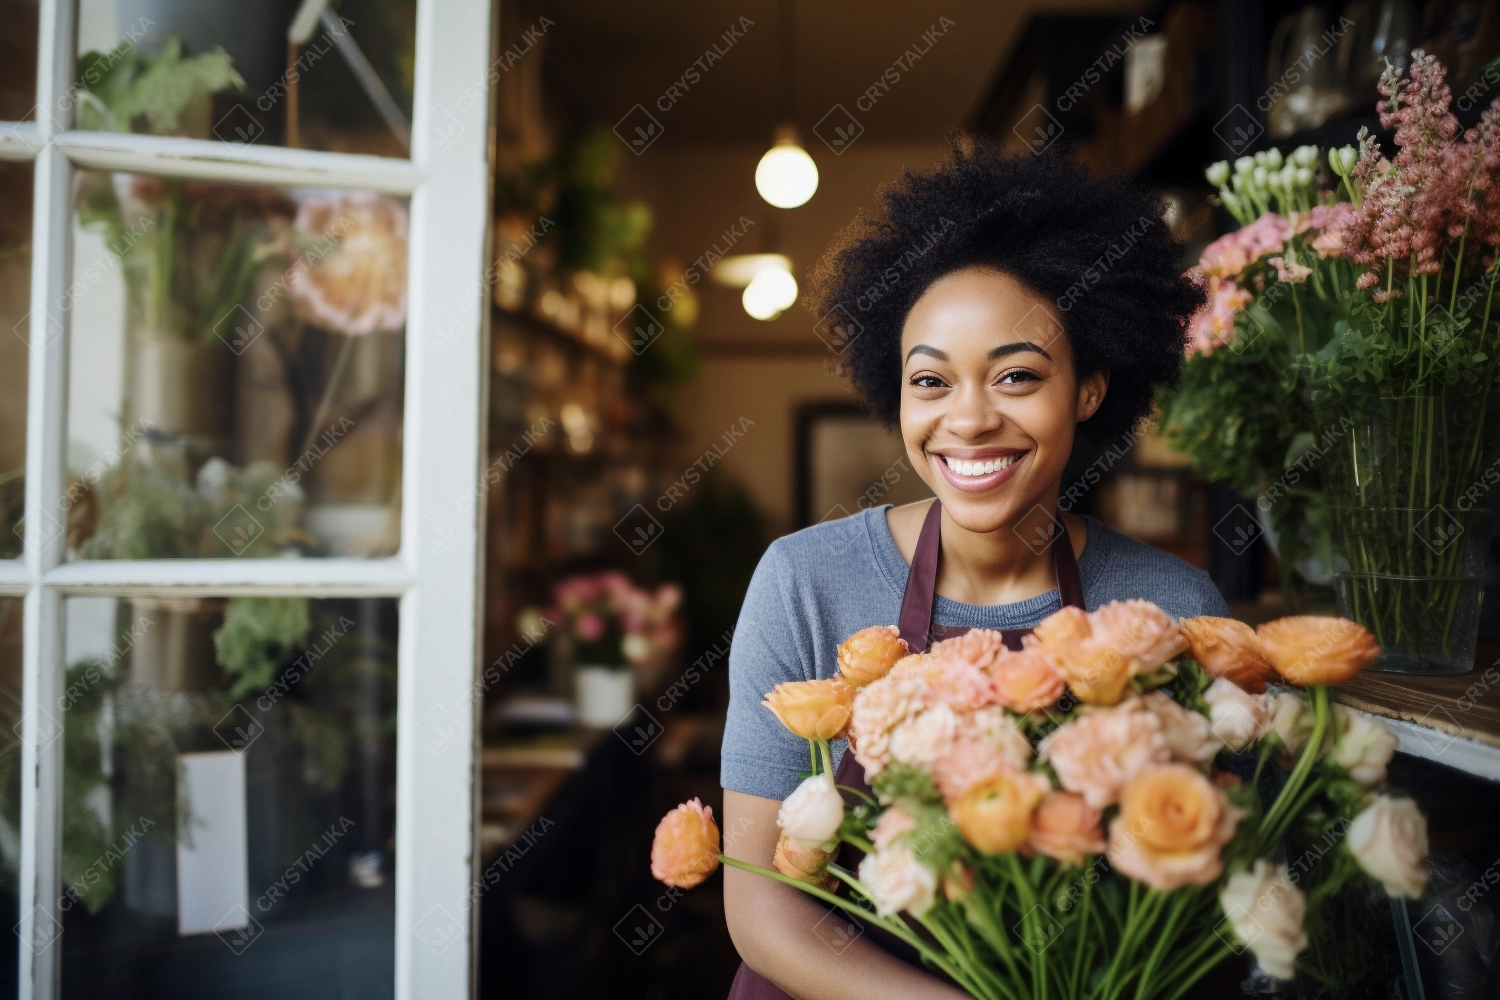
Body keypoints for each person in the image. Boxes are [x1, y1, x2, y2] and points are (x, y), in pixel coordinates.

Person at [718, 132, 1229, 999]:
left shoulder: (1167, 607)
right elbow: (763, 911)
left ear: (1091, 388)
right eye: (932, 382)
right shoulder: (804, 583)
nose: (969, 420)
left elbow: (1195, 914)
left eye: (1018, 376)